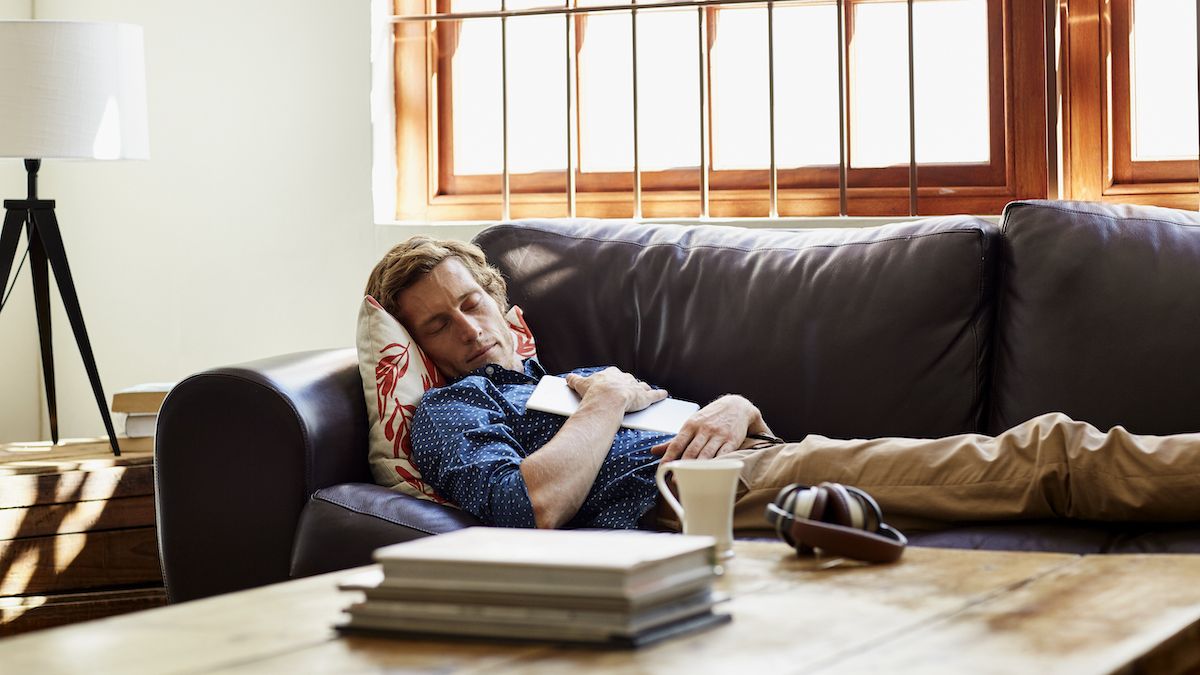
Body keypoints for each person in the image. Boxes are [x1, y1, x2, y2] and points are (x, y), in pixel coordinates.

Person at [365, 236, 1200, 533]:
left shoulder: (572, 377)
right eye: (437, 323)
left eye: (471, 303)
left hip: (766, 456)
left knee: (1034, 457)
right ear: (420, 345)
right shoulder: (454, 408)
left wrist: (738, 404)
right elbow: (529, 507)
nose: (467, 329)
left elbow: (701, 419)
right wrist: (612, 401)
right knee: (1044, 455)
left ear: (500, 300)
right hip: (710, 494)